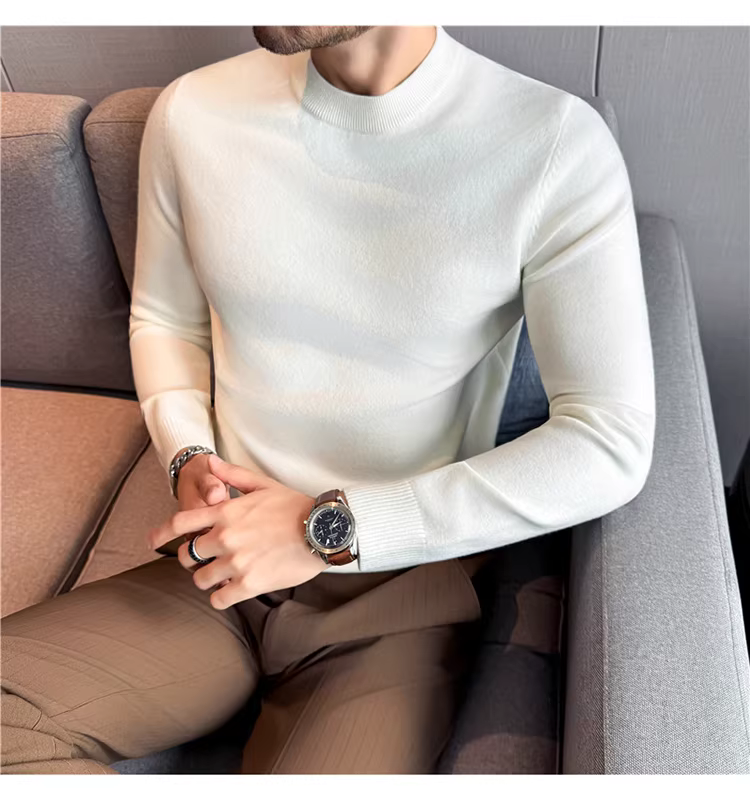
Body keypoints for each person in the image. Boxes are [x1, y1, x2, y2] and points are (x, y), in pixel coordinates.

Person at [0, 25, 655, 774]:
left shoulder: (552, 144)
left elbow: (608, 439)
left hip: (397, 587)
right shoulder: (192, 113)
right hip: (224, 552)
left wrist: (319, 530)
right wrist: (186, 451)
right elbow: (166, 320)